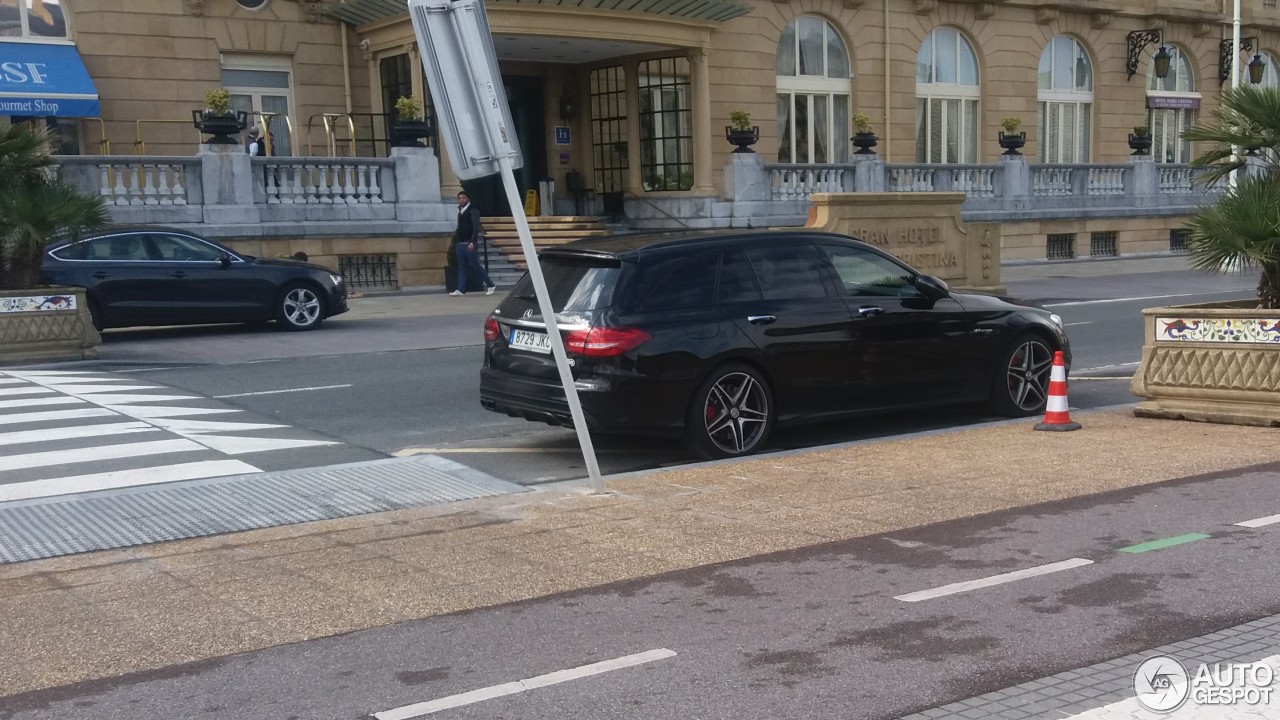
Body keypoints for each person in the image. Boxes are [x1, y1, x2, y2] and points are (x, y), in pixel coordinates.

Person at [451, 191, 495, 296]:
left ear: (468, 199)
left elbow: (476, 227)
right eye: (459, 198)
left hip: (469, 243)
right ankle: (461, 289)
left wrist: (472, 242)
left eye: (463, 198)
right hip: (460, 243)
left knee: (475, 265)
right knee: (462, 266)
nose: (461, 200)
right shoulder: (460, 211)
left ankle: (490, 284)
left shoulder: (473, 210)